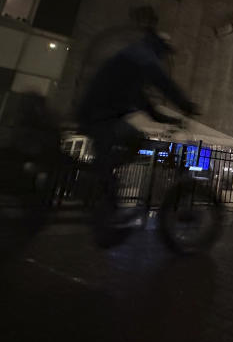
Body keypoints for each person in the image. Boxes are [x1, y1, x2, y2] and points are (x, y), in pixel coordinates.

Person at [76, 27, 195, 243]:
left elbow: (145, 104)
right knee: (134, 140)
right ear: (158, 46)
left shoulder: (132, 64)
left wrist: (166, 119)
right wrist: (186, 104)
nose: (163, 56)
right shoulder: (142, 55)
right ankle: (100, 184)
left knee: (121, 147)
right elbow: (162, 83)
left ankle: (104, 190)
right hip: (99, 116)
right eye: (163, 51)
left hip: (97, 114)